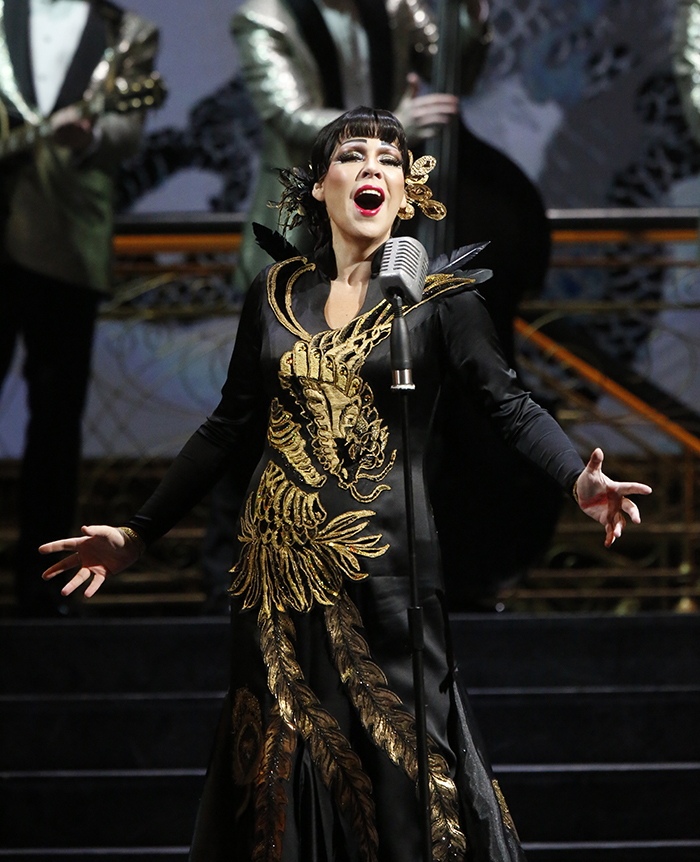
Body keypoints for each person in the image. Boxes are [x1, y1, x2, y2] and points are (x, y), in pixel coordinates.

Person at [41, 108, 651, 861]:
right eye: (352, 156)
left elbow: (510, 404)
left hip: (394, 571)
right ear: (320, 186)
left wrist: (575, 480)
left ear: (406, 193)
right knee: (282, 756)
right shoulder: (273, 293)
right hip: (277, 574)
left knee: (405, 759)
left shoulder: (442, 298)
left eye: (390, 161)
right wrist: (138, 531)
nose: (372, 169)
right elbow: (227, 428)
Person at [0, 0, 159, 616]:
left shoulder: (127, 32)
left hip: (66, 240)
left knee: (56, 422)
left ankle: (43, 591)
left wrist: (93, 134)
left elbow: (126, 134)